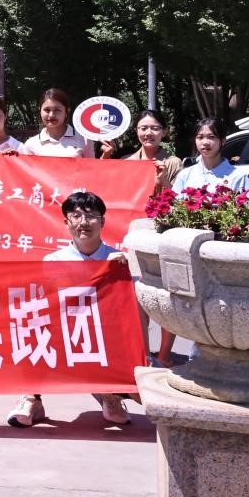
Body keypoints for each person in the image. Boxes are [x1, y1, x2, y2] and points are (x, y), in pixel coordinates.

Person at [7, 191, 131, 428]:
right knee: (32, 326)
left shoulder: (119, 260)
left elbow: (128, 308)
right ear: (66, 222)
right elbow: (52, 303)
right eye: (76, 216)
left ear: (103, 221)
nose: (84, 223)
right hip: (66, 329)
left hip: (106, 331)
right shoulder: (54, 260)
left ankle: (110, 394)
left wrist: (118, 272)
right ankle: (32, 397)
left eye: (91, 216)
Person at [103, 109, 183, 368]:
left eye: (155, 128)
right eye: (143, 128)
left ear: (164, 132)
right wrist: (105, 157)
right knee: (137, 294)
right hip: (133, 235)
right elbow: (106, 189)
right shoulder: (127, 162)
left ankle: (165, 355)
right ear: (136, 131)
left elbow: (178, 203)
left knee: (164, 295)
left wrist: (163, 181)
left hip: (161, 235)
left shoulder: (174, 163)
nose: (149, 133)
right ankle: (144, 353)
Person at [172, 116, 249, 196]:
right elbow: (174, 202)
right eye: (200, 137)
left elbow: (248, 203)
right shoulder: (185, 175)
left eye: (212, 137)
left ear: (223, 141)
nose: (205, 142)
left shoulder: (238, 176)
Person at [21, 88, 95, 158]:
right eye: (47, 110)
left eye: (57, 110)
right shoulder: (31, 144)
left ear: (67, 111)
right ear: (40, 110)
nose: (51, 115)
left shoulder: (84, 140)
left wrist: (103, 156)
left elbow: (91, 166)